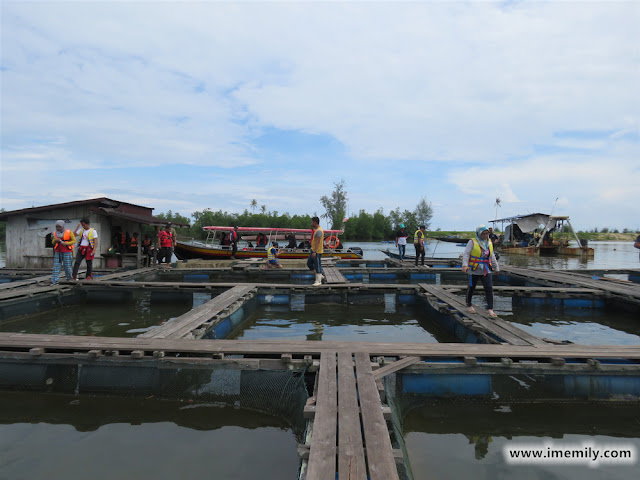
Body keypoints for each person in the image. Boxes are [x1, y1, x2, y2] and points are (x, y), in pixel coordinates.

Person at [462, 225, 500, 318]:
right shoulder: (472, 242)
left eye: (486, 233)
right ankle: (469, 304)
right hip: (474, 269)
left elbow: (492, 256)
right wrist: (464, 265)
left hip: (486, 269)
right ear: (479, 234)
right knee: (471, 287)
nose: (485, 235)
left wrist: (496, 267)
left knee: (489, 288)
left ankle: (490, 309)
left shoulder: (489, 242)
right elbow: (466, 254)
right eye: (483, 234)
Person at [51, 220, 76, 285]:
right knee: (56, 266)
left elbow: (74, 241)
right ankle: (55, 281)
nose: (58, 228)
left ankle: (69, 279)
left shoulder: (69, 232)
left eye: (60, 227)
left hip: (67, 251)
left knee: (67, 266)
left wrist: (67, 243)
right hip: (58, 251)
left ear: (63, 226)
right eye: (57, 227)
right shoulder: (55, 233)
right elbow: (53, 242)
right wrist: (55, 240)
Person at [308, 216, 324, 286]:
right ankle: (320, 276)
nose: (311, 223)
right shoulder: (317, 230)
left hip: (317, 251)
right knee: (309, 263)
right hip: (313, 250)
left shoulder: (319, 231)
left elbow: (317, 242)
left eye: (312, 222)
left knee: (317, 265)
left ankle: (318, 280)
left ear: (315, 222)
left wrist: (314, 251)